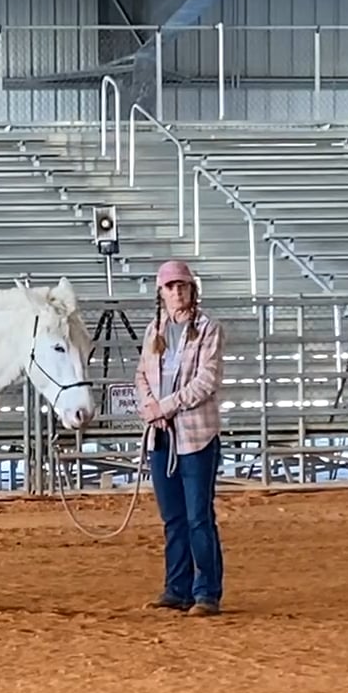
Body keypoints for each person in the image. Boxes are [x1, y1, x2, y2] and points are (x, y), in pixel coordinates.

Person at [134, 259, 226, 617]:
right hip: (161, 437)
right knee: (173, 517)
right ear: (161, 293)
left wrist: (164, 407)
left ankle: (206, 592)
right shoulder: (153, 331)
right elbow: (142, 373)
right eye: (170, 287)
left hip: (196, 435)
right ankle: (177, 588)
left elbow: (206, 381)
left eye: (182, 286)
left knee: (198, 516)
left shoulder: (208, 329)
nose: (177, 292)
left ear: (192, 290)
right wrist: (148, 405)